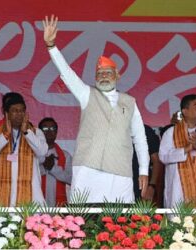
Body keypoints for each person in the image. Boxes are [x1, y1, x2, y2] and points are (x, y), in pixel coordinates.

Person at [43, 15, 149, 203]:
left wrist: (143, 171)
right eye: (99, 74)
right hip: (87, 170)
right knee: (84, 220)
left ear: (117, 75)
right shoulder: (86, 94)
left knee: (118, 224)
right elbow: (67, 73)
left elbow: (140, 139)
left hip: (119, 173)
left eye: (108, 73)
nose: (104, 76)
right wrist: (52, 47)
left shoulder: (130, 102)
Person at [0, 92, 47, 206]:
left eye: (22, 110)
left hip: (31, 196)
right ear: (6, 114)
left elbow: (43, 153)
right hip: (1, 196)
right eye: (14, 111)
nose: (19, 114)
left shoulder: (36, 132)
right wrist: (5, 135)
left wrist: (27, 133)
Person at [39, 117, 72, 206]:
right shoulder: (33, 154)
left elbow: (71, 179)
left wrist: (53, 168)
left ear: (56, 132)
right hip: (37, 204)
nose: (49, 131)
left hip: (59, 205)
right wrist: (43, 166)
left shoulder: (65, 155)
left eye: (52, 128)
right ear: (39, 132)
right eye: (45, 128)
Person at [132, 124, 163, 206]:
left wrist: (151, 187)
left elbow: (156, 160)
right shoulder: (114, 131)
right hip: (118, 186)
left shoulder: (145, 130)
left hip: (141, 187)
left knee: (141, 218)